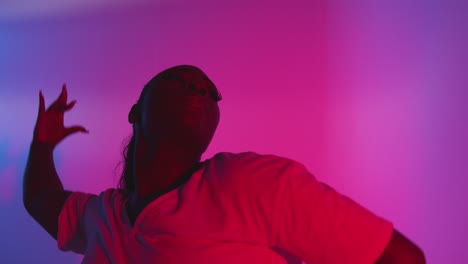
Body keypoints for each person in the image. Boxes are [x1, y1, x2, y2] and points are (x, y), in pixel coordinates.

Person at [23, 65, 425, 263]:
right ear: (135, 111)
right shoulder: (104, 216)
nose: (198, 89)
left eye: (209, 91)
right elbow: (41, 198)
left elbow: (400, 259)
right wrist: (42, 141)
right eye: (179, 81)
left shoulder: (254, 182)